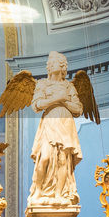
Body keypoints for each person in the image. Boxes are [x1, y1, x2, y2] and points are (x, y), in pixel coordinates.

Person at [28, 52, 86, 205]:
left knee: (63, 160)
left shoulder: (69, 86)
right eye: (50, 63)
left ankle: (59, 194)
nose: (51, 65)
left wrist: (64, 102)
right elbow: (36, 105)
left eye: (55, 62)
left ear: (62, 67)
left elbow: (78, 109)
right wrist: (58, 99)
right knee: (45, 156)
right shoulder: (42, 84)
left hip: (65, 122)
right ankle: (38, 192)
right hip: (50, 121)